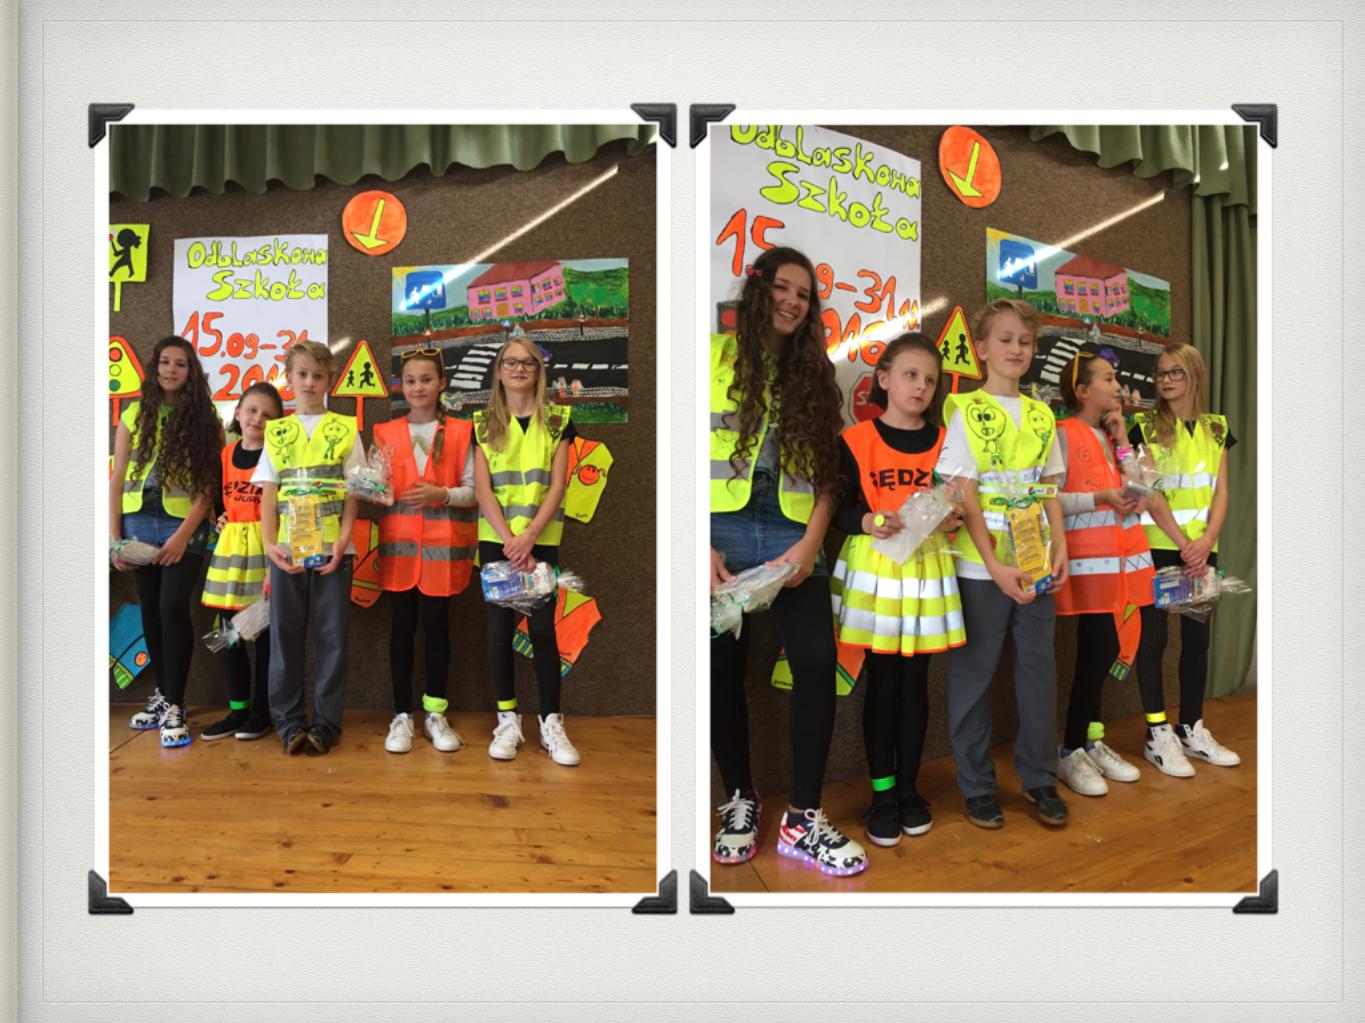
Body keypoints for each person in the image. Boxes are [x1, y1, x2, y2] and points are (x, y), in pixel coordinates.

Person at [709, 246, 868, 878]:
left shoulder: (815, 374)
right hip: (721, 532)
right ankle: (740, 799)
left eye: (804, 294)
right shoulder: (712, 358)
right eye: (783, 287)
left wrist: (810, 546)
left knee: (817, 666)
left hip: (794, 535)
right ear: (759, 290)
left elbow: (831, 477)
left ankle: (803, 817)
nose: (793, 301)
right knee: (722, 672)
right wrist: (697, 543)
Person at [936, 299, 1071, 828]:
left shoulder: (1042, 414)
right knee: (974, 676)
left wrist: (1060, 546)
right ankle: (975, 785)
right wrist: (993, 565)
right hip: (981, 567)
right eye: (1006, 339)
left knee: (1039, 673)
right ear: (983, 348)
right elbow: (963, 493)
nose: (1016, 349)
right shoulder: (964, 410)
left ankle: (1039, 777)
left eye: (1025, 341)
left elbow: (1048, 487)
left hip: (1036, 562)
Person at [830, 333, 965, 847]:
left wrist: (953, 517)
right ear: (883, 378)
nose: (921, 386)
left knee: (916, 683)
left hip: (928, 571)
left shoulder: (946, 441)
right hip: (877, 573)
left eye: (930, 379)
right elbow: (837, 510)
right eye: (910, 374)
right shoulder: (855, 439)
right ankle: (882, 794)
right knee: (883, 683)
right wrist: (866, 520)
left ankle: (909, 789)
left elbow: (958, 503)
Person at [1050, 352, 1168, 795]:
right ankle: (1069, 749)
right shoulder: (1063, 433)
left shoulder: (1112, 435)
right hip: (1086, 564)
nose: (1118, 386)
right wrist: (1099, 497)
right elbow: (1050, 499)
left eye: (1116, 378)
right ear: (1082, 391)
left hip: (1118, 566)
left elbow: (1145, 488)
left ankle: (1089, 741)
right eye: (1108, 378)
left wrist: (1121, 438)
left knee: (1102, 650)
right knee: (1098, 649)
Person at [1130, 343, 1242, 775]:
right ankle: (1156, 733)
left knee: (1197, 641)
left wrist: (1207, 540)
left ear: (1197, 373)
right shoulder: (1144, 427)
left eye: (1175, 371)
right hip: (1159, 546)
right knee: (1154, 640)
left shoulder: (1217, 428)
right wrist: (1182, 542)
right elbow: (1149, 491)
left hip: (1201, 551)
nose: (1166, 380)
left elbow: (1222, 491)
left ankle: (1191, 727)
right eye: (1160, 373)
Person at [472, 334, 580, 766]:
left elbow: (558, 485)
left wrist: (530, 536)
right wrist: (509, 540)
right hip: (497, 542)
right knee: (499, 631)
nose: (519, 369)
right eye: (511, 362)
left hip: (540, 543)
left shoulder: (557, 421)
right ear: (498, 372)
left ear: (539, 372)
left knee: (541, 632)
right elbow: (483, 491)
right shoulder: (482, 424)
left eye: (528, 362)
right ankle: (507, 720)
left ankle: (551, 721)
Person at [110, 336, 222, 747]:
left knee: (173, 608)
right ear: (154, 366)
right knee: (151, 611)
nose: (171, 370)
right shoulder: (134, 413)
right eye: (165, 362)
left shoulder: (206, 417)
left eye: (180, 364)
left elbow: (210, 486)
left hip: (184, 525)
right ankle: (162, 697)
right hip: (138, 521)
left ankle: (176, 704)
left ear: (191, 372)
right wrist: (114, 541)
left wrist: (181, 536)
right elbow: (117, 477)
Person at [255, 340, 364, 756]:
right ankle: (288, 721)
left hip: (334, 550)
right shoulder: (277, 431)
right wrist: (270, 544)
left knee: (332, 637)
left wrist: (344, 540)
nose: (309, 382)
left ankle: (326, 723)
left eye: (318, 375)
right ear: (289, 378)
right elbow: (269, 493)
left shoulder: (346, 428)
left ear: (329, 380)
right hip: (287, 551)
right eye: (302, 374)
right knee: (285, 636)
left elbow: (354, 491)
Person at [374, 348, 478, 755]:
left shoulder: (462, 432)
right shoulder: (385, 433)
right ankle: (401, 714)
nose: (418, 387)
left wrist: (443, 495)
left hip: (442, 552)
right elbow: (377, 489)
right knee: (401, 630)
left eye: (427, 379)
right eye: (411, 380)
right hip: (400, 551)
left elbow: (474, 492)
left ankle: (436, 713)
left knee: (438, 631)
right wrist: (371, 488)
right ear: (401, 386)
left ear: (441, 384)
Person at [200, 382, 284, 742]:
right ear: (237, 413)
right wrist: (221, 518)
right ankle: (237, 709)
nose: (257, 419)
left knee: (263, 632)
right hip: (231, 552)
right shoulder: (226, 454)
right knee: (226, 633)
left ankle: (261, 713)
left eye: (267, 415)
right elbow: (221, 504)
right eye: (251, 410)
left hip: (264, 550)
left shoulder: (277, 456)